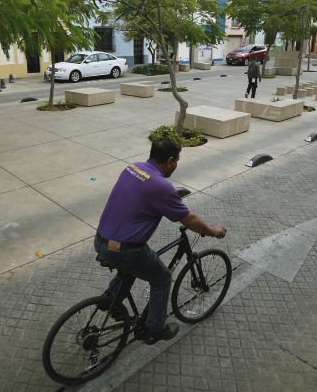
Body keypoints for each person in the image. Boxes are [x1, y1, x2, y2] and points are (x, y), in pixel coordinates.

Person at [95, 138, 227, 345]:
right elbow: (189, 219)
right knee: (162, 279)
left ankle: (110, 302)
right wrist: (212, 231)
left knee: (131, 269)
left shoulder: (133, 167)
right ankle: (155, 329)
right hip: (125, 250)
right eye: (177, 161)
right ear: (171, 161)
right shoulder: (161, 186)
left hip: (102, 240)